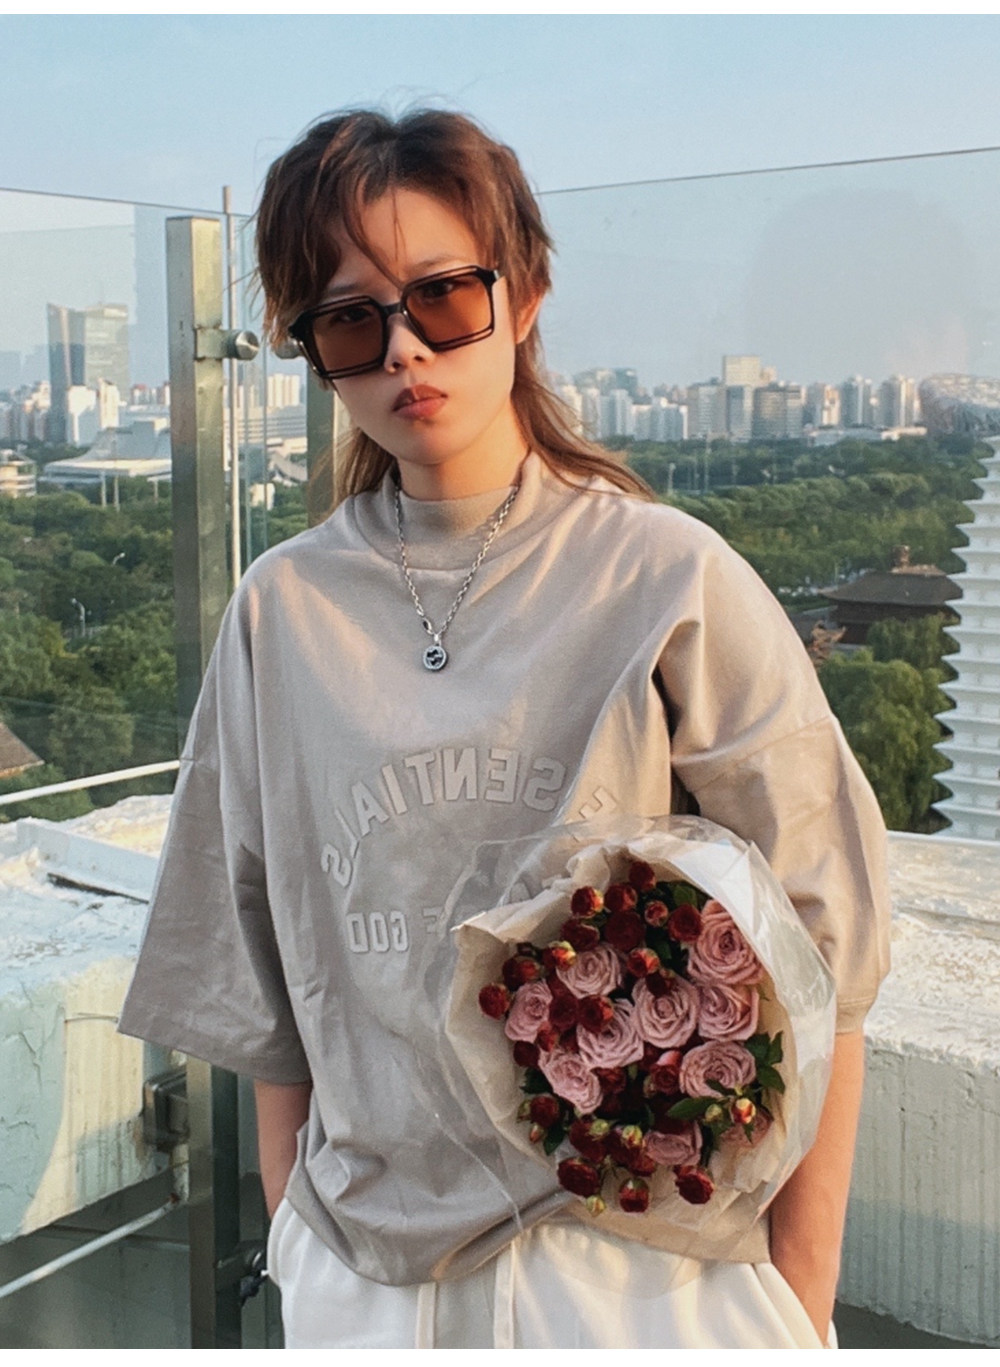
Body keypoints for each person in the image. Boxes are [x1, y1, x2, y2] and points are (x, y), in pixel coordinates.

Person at [119, 107, 890, 1350]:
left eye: (443, 297)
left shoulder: (665, 576)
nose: (403, 350)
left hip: (642, 1264)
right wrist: (297, 1237)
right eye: (350, 321)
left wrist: (801, 1293)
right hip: (367, 1272)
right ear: (313, 352)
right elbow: (259, 953)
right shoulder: (283, 609)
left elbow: (827, 939)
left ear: (522, 295)